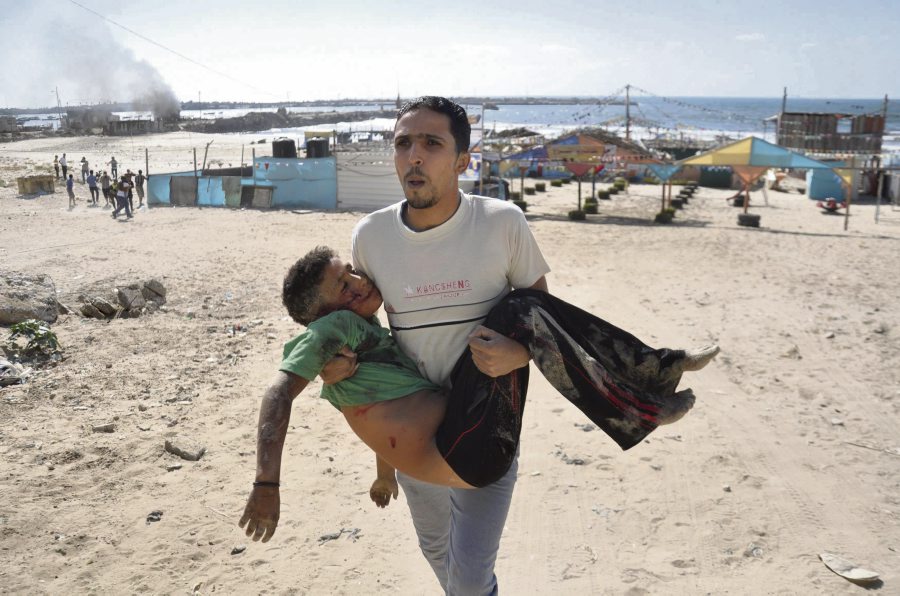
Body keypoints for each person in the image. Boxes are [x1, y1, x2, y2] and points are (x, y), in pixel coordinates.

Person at [237, 246, 716, 520]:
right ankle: (646, 390)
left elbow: (379, 413)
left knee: (522, 308)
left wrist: (384, 476)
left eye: (353, 271)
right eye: (343, 286)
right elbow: (278, 392)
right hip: (463, 451)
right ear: (321, 315)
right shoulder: (330, 333)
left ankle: (655, 371)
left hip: (475, 444)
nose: (359, 282)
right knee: (518, 307)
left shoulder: (365, 340)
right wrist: (266, 483)